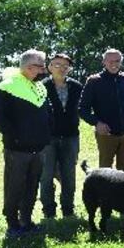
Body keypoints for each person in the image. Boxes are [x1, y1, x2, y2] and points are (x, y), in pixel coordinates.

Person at [0, 50, 51, 238]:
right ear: (27, 66)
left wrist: (46, 135)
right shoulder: (8, 86)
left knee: (32, 187)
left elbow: (47, 115)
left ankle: (27, 221)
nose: (43, 70)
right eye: (40, 66)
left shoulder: (39, 87)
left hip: (38, 149)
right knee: (14, 187)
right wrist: (14, 136)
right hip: (17, 150)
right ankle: (12, 224)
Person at [79, 48, 124, 170]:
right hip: (106, 134)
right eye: (110, 61)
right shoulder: (94, 81)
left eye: (117, 61)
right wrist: (97, 123)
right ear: (104, 62)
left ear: (121, 62)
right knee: (105, 172)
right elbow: (83, 109)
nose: (114, 64)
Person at [40, 52, 82, 219]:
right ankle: (49, 211)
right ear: (50, 67)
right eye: (57, 65)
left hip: (71, 137)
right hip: (47, 138)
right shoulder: (41, 86)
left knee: (69, 175)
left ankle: (68, 209)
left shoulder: (77, 86)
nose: (62, 68)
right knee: (46, 175)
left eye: (66, 66)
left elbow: (84, 109)